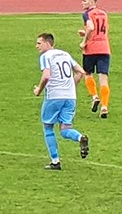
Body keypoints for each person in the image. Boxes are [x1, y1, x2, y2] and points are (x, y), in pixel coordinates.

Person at [34, 33, 90, 170]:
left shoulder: (45, 56)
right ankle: (80, 138)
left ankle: (55, 161)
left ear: (48, 43)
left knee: (48, 127)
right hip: (70, 97)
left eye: (39, 43)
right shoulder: (65, 54)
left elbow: (46, 76)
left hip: (54, 96)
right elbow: (80, 72)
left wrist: (39, 90)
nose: (36, 46)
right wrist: (71, 86)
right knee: (65, 129)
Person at [79, 0, 111, 119]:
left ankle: (94, 96)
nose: (82, 3)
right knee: (103, 78)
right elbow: (101, 31)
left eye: (84, 1)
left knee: (87, 73)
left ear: (92, 1)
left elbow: (91, 27)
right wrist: (85, 32)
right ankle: (104, 107)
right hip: (104, 48)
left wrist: (84, 41)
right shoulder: (103, 13)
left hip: (91, 48)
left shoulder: (87, 14)